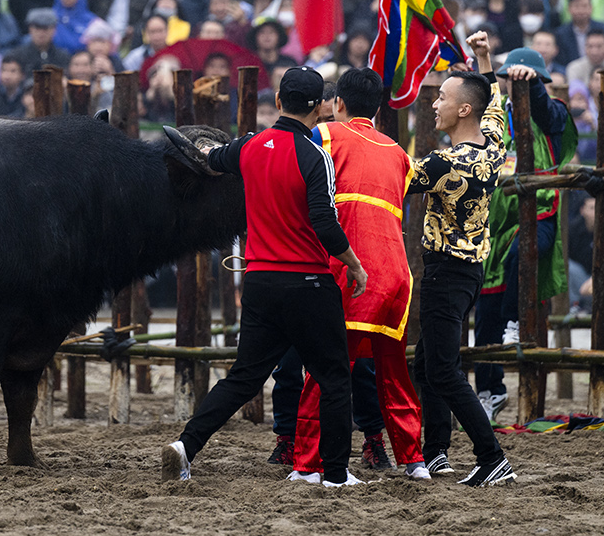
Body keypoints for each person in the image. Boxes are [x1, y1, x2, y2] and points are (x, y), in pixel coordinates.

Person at [162, 67, 369, 487]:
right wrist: (355, 264)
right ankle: (335, 474)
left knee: (243, 378)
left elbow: (206, 157)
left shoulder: (248, 147)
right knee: (332, 378)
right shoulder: (316, 157)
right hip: (308, 284)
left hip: (259, 283)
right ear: (320, 108)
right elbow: (325, 224)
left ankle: (186, 445)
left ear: (277, 100)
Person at [290, 68, 428, 482]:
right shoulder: (399, 153)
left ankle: (307, 463)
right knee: (395, 372)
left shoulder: (326, 135)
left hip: (350, 273)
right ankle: (413, 459)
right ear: (381, 107)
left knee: (325, 371)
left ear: (339, 104)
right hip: (395, 276)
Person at [404, 31, 516, 486]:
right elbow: (494, 103)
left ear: (462, 110)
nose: (435, 103)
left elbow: (390, 177)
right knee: (426, 365)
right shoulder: (491, 148)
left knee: (443, 371)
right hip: (468, 273)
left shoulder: (443, 164)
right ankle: (436, 453)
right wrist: (484, 56)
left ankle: (492, 458)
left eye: (443, 98)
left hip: (444, 275)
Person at [475, 47, 575, 416]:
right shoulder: (495, 117)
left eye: (523, 80)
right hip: (494, 222)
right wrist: (481, 60)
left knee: (524, 254)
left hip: (538, 213)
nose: (511, 86)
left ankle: (516, 319)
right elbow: (483, 94)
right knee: (485, 313)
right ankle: (490, 391)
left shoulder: (554, 113)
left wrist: (532, 89)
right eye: (508, 80)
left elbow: (548, 114)